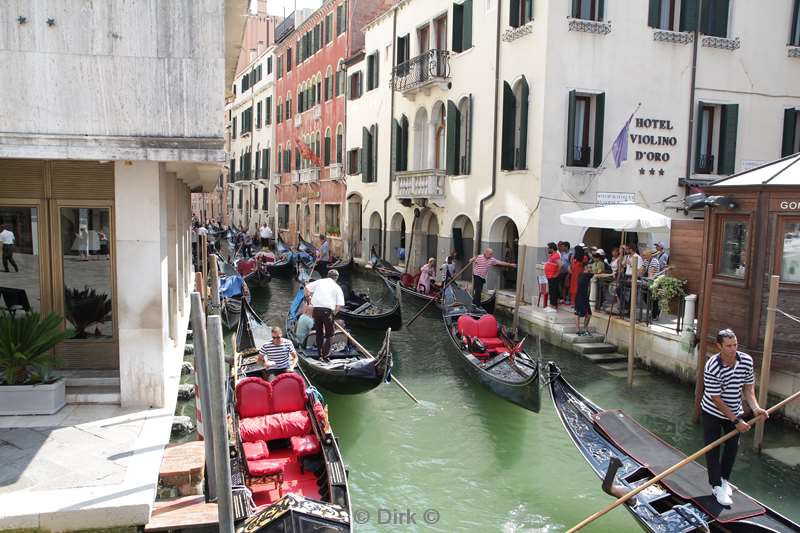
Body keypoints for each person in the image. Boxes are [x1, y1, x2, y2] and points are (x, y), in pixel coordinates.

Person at [701, 329, 768, 506]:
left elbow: (748, 388)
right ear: (719, 346)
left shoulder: (746, 360)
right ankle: (715, 486)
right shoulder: (712, 366)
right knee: (712, 449)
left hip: (734, 410)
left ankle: (724, 480)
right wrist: (736, 421)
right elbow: (716, 399)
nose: (733, 349)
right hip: (712, 412)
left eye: (735, 345)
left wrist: (756, 408)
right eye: (729, 346)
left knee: (732, 448)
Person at [304, 269, 345, 360]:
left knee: (319, 333)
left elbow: (306, 288)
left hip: (316, 310)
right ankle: (325, 356)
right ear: (336, 278)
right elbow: (338, 306)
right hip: (327, 312)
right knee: (330, 334)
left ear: (327, 275)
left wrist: (308, 299)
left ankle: (319, 354)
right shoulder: (337, 287)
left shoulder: (320, 281)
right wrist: (332, 314)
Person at [543, 242, 562, 313]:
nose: (548, 249)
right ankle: (551, 305)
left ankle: (553, 306)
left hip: (553, 277)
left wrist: (556, 274)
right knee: (551, 291)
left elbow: (560, 265)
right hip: (550, 276)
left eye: (548, 248)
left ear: (552, 248)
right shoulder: (552, 255)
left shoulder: (556, 255)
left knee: (553, 291)